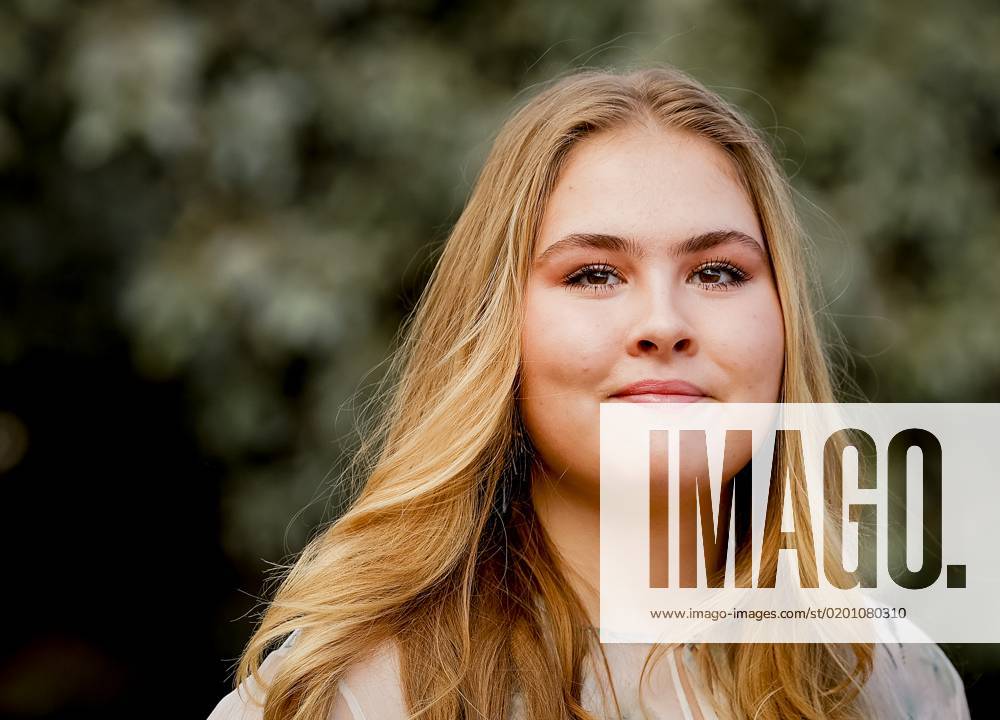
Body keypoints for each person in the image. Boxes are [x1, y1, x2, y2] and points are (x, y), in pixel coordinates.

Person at [207, 66, 970, 720]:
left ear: (782, 325)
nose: (664, 323)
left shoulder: (892, 683)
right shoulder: (344, 698)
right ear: (500, 330)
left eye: (717, 272)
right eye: (594, 274)